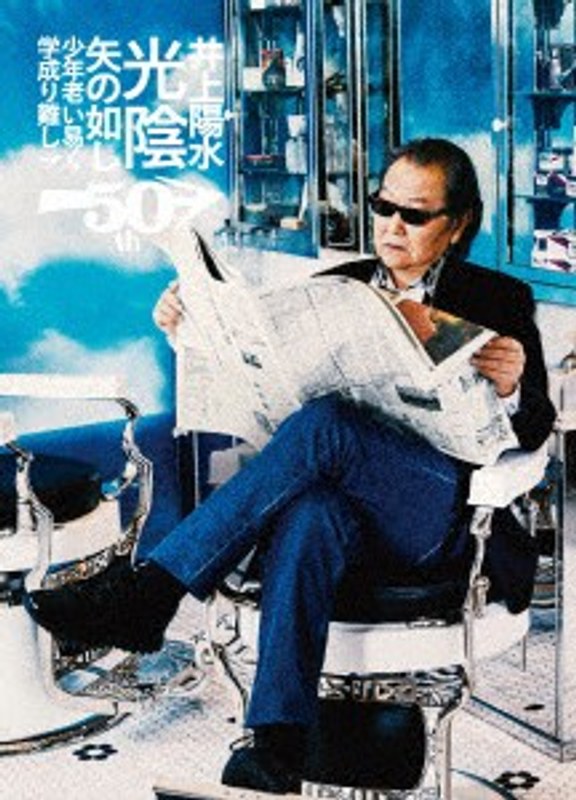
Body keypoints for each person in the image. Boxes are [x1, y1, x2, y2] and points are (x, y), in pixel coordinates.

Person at [25, 138, 556, 793]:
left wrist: (513, 387)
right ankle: (277, 742)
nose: (392, 225)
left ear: (457, 224)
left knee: (328, 425)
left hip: (435, 511)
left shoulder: (499, 298)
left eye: (415, 215)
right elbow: (265, 383)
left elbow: (537, 426)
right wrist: (188, 326)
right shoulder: (339, 287)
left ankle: (151, 591)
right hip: (348, 504)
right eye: (383, 206)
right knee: (311, 512)